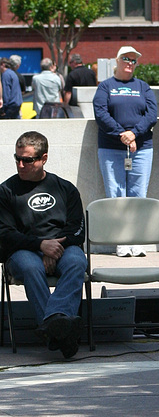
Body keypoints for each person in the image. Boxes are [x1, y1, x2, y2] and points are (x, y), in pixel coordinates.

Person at [0, 131, 87, 358]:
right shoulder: (6, 191)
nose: (20, 164)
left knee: (77, 261)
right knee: (30, 267)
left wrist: (54, 248)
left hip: (62, 248)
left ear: (43, 158)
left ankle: (53, 326)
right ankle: (62, 330)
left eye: (27, 160)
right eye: (17, 158)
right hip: (23, 252)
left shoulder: (65, 188)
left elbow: (77, 228)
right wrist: (40, 245)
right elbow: (5, 233)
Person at [93, 45, 157, 257]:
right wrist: (123, 134)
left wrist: (135, 134)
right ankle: (121, 241)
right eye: (126, 59)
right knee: (116, 194)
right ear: (117, 61)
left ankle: (137, 240)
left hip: (141, 148)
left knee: (139, 195)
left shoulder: (143, 87)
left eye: (133, 60)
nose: (130, 63)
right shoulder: (105, 87)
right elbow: (101, 114)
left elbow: (151, 115)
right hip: (111, 148)